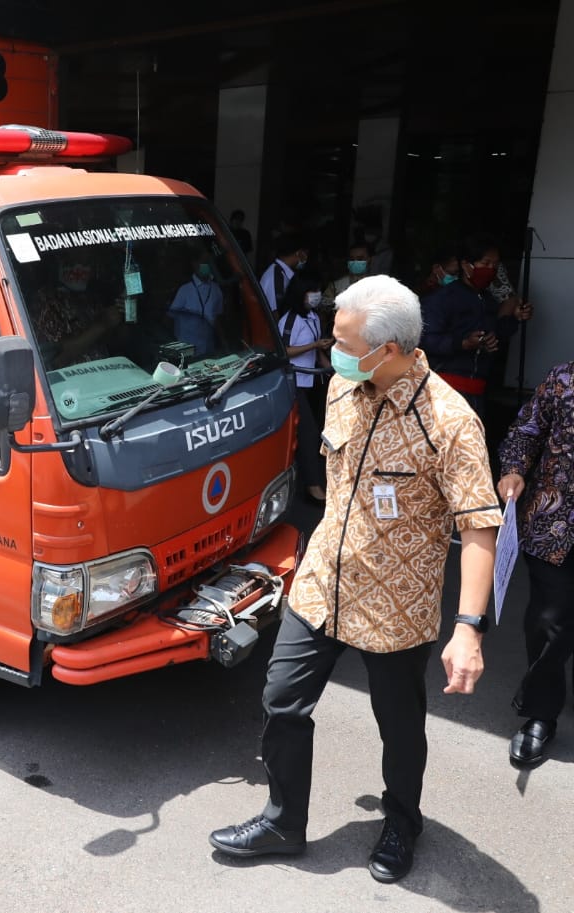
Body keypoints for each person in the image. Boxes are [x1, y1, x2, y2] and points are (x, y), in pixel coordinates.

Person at [209, 275, 500, 884]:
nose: (330, 351)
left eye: (342, 340)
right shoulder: (344, 385)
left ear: (388, 350)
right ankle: (283, 820)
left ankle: (402, 823)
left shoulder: (450, 422)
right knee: (282, 701)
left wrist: (468, 628)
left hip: (396, 606)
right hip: (321, 586)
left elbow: (478, 529)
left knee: (399, 727)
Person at [496, 360, 574, 766]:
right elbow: (526, 431)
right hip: (553, 523)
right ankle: (540, 714)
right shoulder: (563, 379)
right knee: (548, 620)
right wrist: (513, 470)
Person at [420, 235, 533, 414]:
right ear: (466, 265)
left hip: (476, 393)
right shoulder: (441, 299)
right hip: (443, 391)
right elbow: (425, 340)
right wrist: (463, 343)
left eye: (495, 265)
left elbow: (498, 334)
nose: (491, 269)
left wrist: (515, 318)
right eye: (485, 263)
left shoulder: (488, 301)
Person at [277, 270, 332, 503]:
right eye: (313, 291)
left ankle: (312, 478)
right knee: (308, 434)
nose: (317, 295)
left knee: (316, 431)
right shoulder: (290, 319)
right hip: (292, 382)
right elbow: (283, 351)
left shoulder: (313, 317)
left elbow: (318, 350)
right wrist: (314, 345)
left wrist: (329, 368)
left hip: (312, 380)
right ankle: (312, 486)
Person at [33, 254, 123, 368]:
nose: (79, 269)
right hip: (71, 381)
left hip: (107, 375)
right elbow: (57, 359)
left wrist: (122, 317)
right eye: (71, 262)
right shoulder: (45, 302)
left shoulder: (92, 296)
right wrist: (101, 325)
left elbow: (114, 343)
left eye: (87, 263)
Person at [167, 254, 223, 358]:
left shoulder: (216, 289)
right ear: (194, 264)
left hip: (208, 348)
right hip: (187, 349)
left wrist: (224, 344)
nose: (205, 266)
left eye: (207, 263)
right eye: (202, 263)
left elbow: (218, 317)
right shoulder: (184, 289)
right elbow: (170, 317)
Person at [259, 235, 307, 314]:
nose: (305, 258)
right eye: (304, 253)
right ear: (298, 253)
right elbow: (275, 313)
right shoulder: (276, 276)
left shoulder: (283, 273)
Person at [322, 239, 371, 307]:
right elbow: (324, 306)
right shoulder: (335, 286)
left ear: (369, 259)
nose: (355, 262)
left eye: (360, 259)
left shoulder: (379, 286)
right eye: (352, 259)